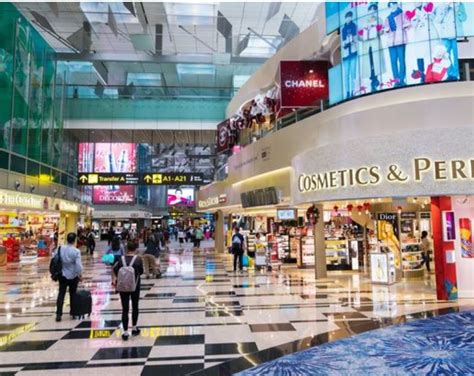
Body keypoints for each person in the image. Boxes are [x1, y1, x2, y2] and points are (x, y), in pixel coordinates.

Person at [114, 242, 143, 341]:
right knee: (135, 306)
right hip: (135, 286)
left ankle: (125, 332)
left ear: (126, 249)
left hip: (123, 287)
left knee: (125, 309)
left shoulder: (120, 259)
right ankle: (134, 328)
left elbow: (115, 270)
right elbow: (141, 271)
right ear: (135, 249)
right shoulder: (138, 259)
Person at [55, 233, 83, 322]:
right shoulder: (76, 251)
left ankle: (59, 314)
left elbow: (55, 258)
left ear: (67, 239)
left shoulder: (60, 248)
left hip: (62, 275)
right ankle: (73, 312)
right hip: (73, 276)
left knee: (61, 294)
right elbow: (78, 266)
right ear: (75, 240)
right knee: (73, 294)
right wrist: (80, 274)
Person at [383, 1, 409, 87]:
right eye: (390, 6)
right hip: (391, 42)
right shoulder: (387, 18)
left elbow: (408, 26)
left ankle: (402, 79)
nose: (392, 7)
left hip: (400, 40)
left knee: (401, 60)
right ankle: (396, 80)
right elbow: (385, 31)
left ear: (396, 5)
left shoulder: (403, 14)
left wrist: (404, 25)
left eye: (393, 5)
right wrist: (385, 30)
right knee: (393, 61)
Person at [341, 10, 358, 99]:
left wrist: (352, 41)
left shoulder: (354, 26)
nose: (349, 18)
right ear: (345, 18)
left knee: (353, 73)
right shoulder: (343, 29)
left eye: (350, 17)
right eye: (347, 17)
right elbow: (342, 43)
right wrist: (346, 43)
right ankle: (347, 92)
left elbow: (356, 39)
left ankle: (353, 91)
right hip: (346, 55)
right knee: (346, 74)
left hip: (353, 53)